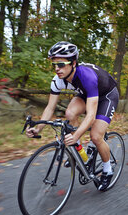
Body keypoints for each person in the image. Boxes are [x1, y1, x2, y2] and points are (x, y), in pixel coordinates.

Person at [25, 41, 119, 191]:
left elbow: (91, 115)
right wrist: (38, 129)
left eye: (61, 64)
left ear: (73, 63)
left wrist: (75, 135)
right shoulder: (57, 80)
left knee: (95, 136)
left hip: (106, 95)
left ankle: (108, 169)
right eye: (54, 64)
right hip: (87, 94)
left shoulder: (86, 76)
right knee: (69, 113)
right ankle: (80, 151)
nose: (57, 69)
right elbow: (50, 108)